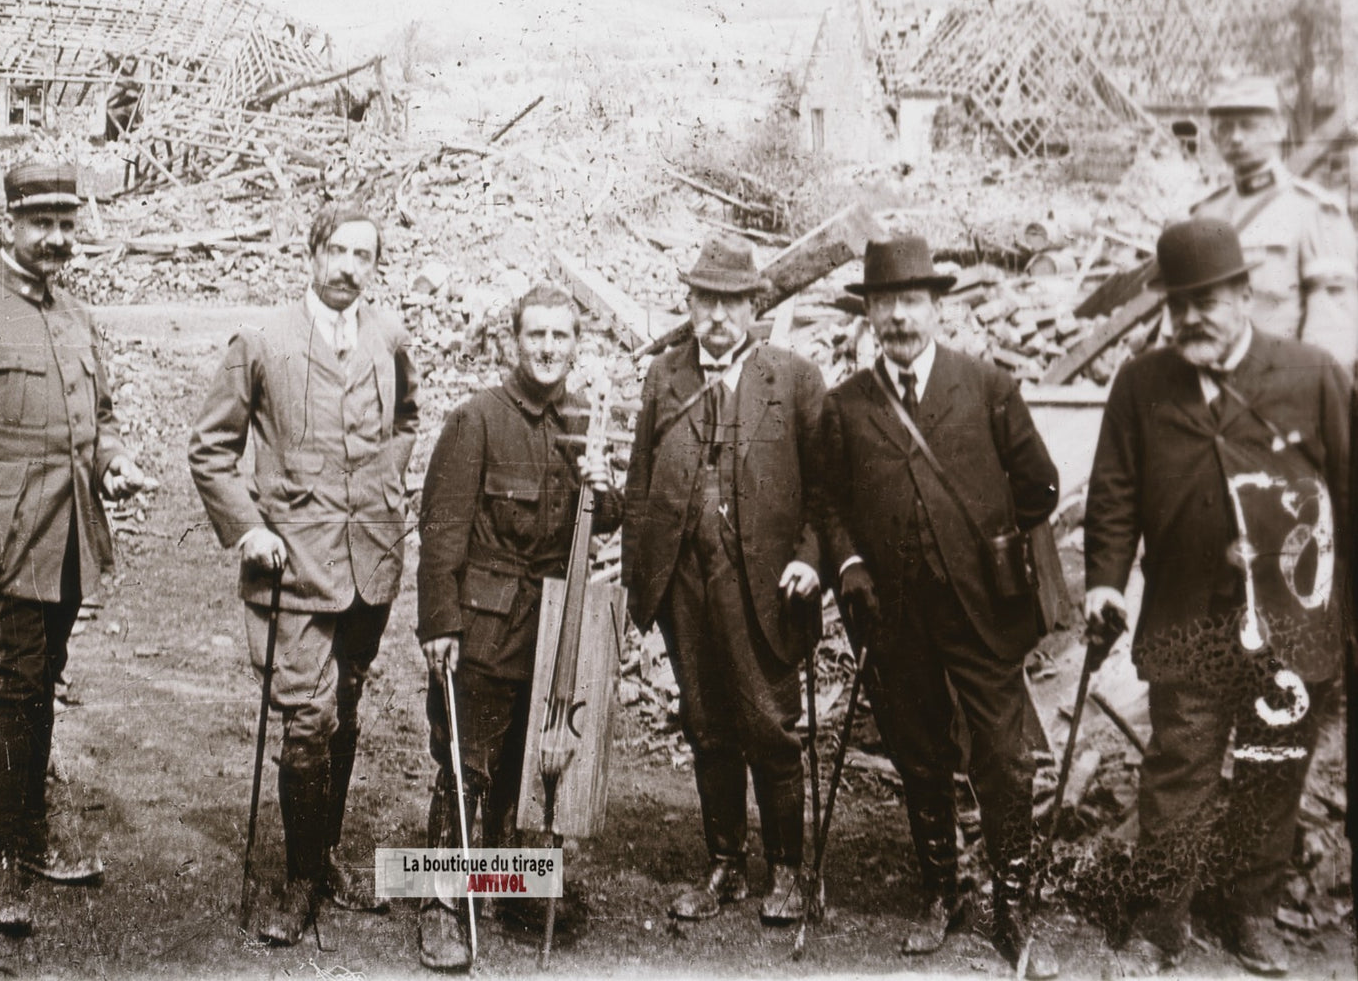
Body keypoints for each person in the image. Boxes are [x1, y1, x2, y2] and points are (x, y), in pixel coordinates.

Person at [1084, 218, 1350, 977]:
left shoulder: (1311, 373)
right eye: (1179, 301)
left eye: (1208, 297)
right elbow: (1113, 491)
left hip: (1293, 623)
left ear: (1244, 293)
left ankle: (1248, 915)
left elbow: (1350, 490)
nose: (1192, 314)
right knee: (1177, 775)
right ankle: (1156, 926)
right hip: (1187, 620)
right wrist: (1105, 577)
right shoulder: (1141, 383)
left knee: (1271, 773)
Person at [817, 236, 1060, 978]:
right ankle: (939, 891)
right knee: (919, 755)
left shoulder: (985, 386)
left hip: (980, 612)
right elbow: (826, 503)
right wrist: (851, 563)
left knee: (1002, 757)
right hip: (893, 618)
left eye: (911, 302)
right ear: (868, 314)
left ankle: (1011, 908)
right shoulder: (845, 404)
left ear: (935, 307)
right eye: (884, 303)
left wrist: (991, 548)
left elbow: (1039, 485)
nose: (897, 317)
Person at [0, 162, 146, 935]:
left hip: (69, 535)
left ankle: (31, 834)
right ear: (6, 223)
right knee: (7, 689)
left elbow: (100, 414)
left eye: (66, 224)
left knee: (41, 681)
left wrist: (112, 462)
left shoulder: (76, 314)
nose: (55, 239)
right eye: (40, 222)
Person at [188, 202, 419, 946]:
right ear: (314, 253)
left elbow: (407, 419)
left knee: (344, 706)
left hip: (371, 558)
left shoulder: (388, 336)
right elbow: (210, 448)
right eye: (339, 251)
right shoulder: (261, 340)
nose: (351, 266)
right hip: (293, 560)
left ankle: (321, 856)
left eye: (365, 255)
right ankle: (296, 881)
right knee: (308, 717)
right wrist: (249, 526)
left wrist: (385, 483)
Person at [415, 282, 620, 972]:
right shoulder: (477, 417)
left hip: (553, 630)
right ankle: (440, 905)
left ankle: (496, 886)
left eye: (560, 336)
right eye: (536, 335)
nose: (547, 348)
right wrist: (438, 623)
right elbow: (440, 526)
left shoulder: (585, 420)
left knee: (518, 769)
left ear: (576, 345)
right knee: (467, 765)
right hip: (485, 622)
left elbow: (604, 517)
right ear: (514, 339)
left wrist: (606, 485)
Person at [623, 233, 825, 928]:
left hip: (763, 585)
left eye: (731, 300)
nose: (717, 313)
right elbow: (639, 482)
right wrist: (637, 581)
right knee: (706, 725)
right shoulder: (664, 377)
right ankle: (726, 864)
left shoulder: (793, 378)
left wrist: (811, 558)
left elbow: (826, 491)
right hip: (684, 581)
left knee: (769, 726)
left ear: (754, 305)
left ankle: (789, 872)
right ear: (689, 302)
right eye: (705, 298)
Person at [1191, 75, 1358, 366]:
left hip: (1281, 385)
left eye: (1249, 125)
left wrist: (1303, 397)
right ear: (1214, 136)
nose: (1237, 137)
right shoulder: (1205, 212)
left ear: (1279, 128)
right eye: (1226, 127)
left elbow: (1333, 327)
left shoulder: (1314, 210)